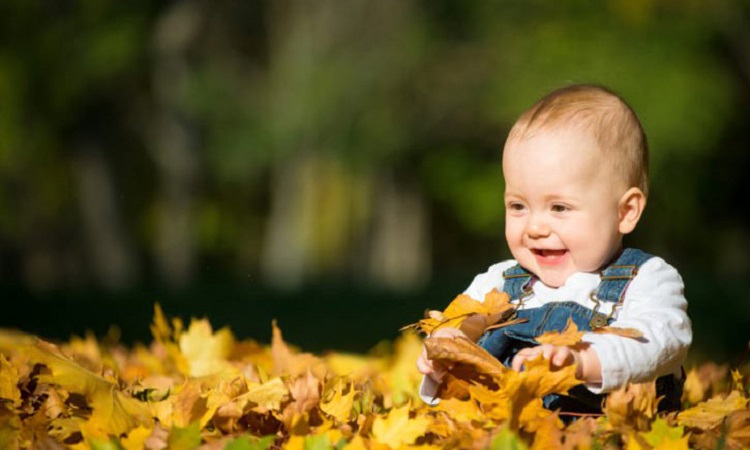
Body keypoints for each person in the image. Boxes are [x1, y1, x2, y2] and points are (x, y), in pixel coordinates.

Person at [416, 83, 692, 413]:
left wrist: (585, 360)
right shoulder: (501, 281)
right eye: (518, 206)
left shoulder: (648, 279)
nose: (535, 227)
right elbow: (462, 320)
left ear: (625, 211)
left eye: (559, 208)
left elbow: (661, 342)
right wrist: (449, 347)